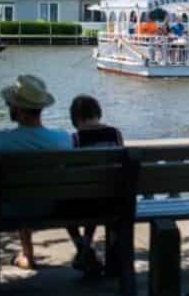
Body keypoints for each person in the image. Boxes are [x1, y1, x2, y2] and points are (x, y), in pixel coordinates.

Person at [0, 74, 72, 270]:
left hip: (10, 211)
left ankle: (25, 256)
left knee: (19, 197)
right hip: (51, 209)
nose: (8, 106)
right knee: (28, 194)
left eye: (10, 104)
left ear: (17, 109)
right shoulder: (62, 139)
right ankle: (27, 254)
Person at [66, 95, 124, 276]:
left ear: (75, 118)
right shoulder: (115, 134)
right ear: (97, 113)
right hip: (114, 202)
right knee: (102, 196)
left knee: (72, 203)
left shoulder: (75, 139)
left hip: (85, 204)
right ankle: (94, 252)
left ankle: (83, 248)